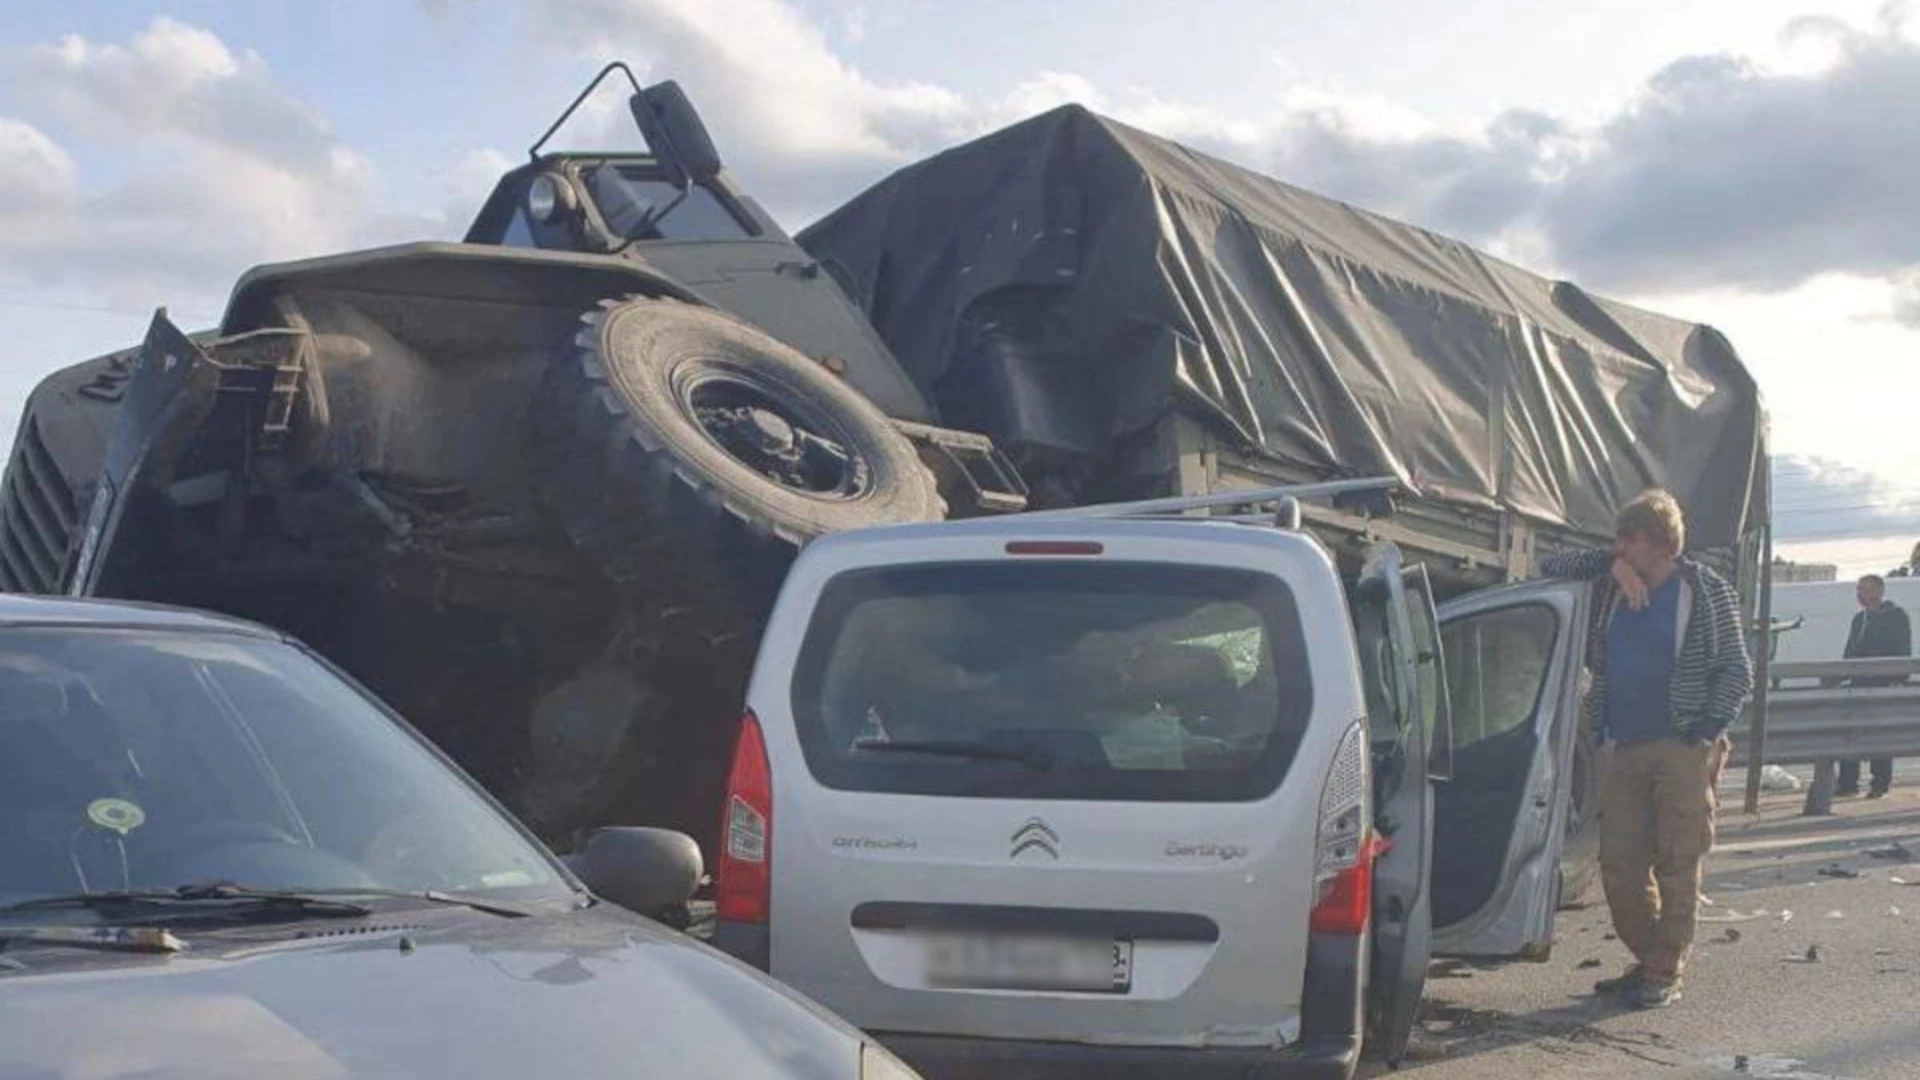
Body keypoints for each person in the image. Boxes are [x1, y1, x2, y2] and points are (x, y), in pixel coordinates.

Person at [1540, 489, 1753, 1009]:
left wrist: (1706, 727)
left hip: (1682, 744)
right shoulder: (1612, 585)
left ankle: (1663, 970)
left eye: (1627, 541)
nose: (1619, 548)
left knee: (1679, 860)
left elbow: (1737, 667)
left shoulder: (1702, 590)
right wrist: (1614, 567)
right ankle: (1653, 955)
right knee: (1619, 863)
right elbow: (1549, 563)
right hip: (1624, 744)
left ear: (1659, 543)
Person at [1836, 574, 1911, 799]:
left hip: (1882, 684)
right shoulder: (1860, 619)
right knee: (1850, 734)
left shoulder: (1895, 616)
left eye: (1865, 590)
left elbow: (1902, 650)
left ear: (1879, 591)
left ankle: (1880, 783)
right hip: (1857, 685)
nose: (1860, 595)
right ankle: (1848, 783)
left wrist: (1896, 678)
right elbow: (1849, 652)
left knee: (1880, 736)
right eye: (1858, 590)